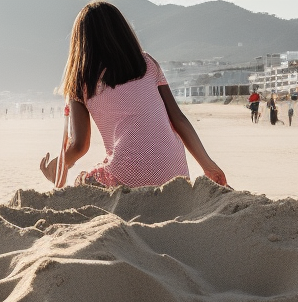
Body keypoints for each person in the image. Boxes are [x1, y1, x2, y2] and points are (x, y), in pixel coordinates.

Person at [36, 1, 230, 189]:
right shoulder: (147, 64)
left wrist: (58, 165)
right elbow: (178, 118)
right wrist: (208, 165)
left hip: (127, 171)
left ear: (81, 42)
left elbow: (80, 145)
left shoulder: (80, 82)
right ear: (122, 32)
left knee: (84, 183)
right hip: (175, 172)